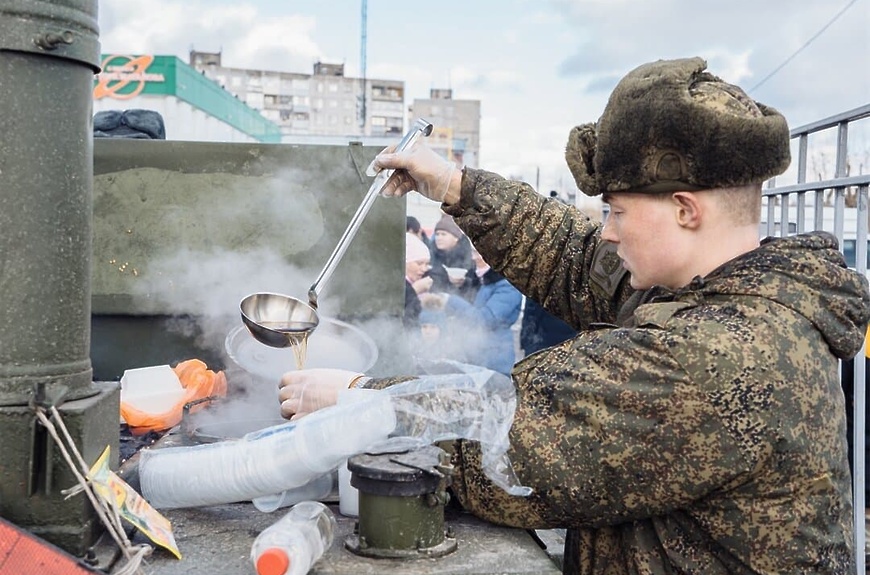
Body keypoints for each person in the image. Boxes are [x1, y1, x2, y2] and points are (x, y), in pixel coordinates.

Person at [278, 57, 870, 573]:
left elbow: (508, 436)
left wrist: (358, 399)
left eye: (614, 210)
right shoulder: (718, 289)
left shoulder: (718, 353)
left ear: (686, 210)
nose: (605, 231)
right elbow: (570, 254)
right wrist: (455, 186)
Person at [420, 247, 523, 375]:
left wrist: (451, 301)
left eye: (480, 253)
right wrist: (462, 286)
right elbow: (471, 308)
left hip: (495, 357)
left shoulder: (508, 286)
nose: (475, 258)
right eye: (474, 252)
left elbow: (484, 320)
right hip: (477, 354)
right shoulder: (481, 280)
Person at [427, 214, 475, 296]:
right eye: (437, 234)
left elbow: (475, 287)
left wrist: (463, 283)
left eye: (443, 234)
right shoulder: (430, 256)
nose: (439, 238)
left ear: (456, 238)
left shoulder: (468, 259)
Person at [403, 232, 432, 330]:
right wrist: (414, 291)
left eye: (426, 264)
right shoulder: (396, 285)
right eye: (419, 263)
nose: (424, 269)